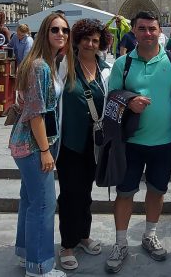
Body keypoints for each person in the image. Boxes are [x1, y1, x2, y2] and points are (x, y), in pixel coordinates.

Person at [105, 11, 171, 273]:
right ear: (134, 31)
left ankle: (150, 235)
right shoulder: (122, 63)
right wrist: (129, 101)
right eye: (142, 29)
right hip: (131, 142)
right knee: (125, 192)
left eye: (152, 29)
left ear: (159, 31)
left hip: (163, 141)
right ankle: (120, 243)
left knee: (157, 190)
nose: (148, 33)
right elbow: (112, 97)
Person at [9, 12, 74, 277]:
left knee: (29, 200)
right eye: (55, 30)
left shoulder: (43, 63)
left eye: (65, 30)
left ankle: (26, 254)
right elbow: (36, 114)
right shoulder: (40, 67)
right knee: (44, 205)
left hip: (28, 143)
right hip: (35, 145)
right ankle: (40, 268)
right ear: (44, 33)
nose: (61, 34)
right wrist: (46, 151)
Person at [56, 19, 112, 271]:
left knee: (86, 192)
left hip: (95, 142)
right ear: (77, 40)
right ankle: (67, 244)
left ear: (101, 44)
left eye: (95, 40)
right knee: (69, 193)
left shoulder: (105, 68)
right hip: (70, 141)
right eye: (86, 38)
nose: (90, 44)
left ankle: (83, 236)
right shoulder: (64, 65)